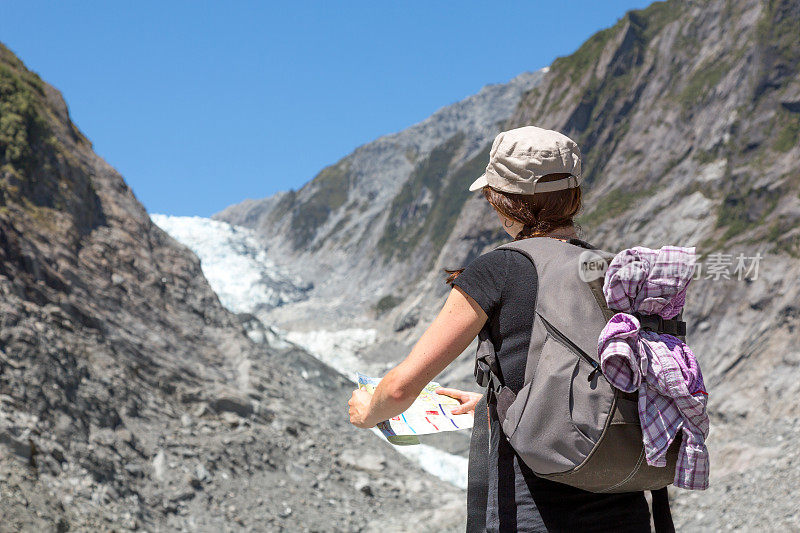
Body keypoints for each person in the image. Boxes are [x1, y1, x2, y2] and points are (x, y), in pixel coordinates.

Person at [348, 126, 653, 532]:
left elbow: (402, 387)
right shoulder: (611, 269)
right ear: (574, 196)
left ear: (505, 202)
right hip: (623, 504)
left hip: (534, 507)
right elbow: (596, 380)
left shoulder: (500, 268)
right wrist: (493, 404)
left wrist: (370, 411)